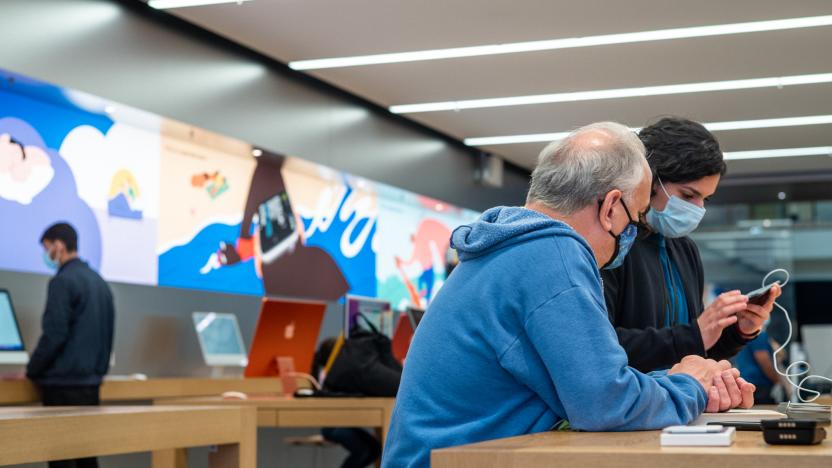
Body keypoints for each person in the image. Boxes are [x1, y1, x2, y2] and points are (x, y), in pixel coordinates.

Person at [382, 122, 755, 468]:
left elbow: (594, 385)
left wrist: (679, 377)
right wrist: (689, 383)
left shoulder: (513, 247)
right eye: (635, 219)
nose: (632, 235)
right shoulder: (554, 254)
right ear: (610, 207)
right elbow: (606, 403)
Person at [602, 117, 781, 372]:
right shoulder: (611, 244)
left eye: (705, 198)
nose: (698, 209)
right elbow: (598, 347)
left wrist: (737, 331)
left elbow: (695, 352)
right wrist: (694, 334)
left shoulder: (684, 250)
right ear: (648, 178)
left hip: (679, 402)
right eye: (688, 195)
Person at [26, 222, 115, 468]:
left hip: (62, 386)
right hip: (91, 384)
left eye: (47, 248)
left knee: (62, 458)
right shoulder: (100, 283)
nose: (47, 255)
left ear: (58, 245)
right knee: (87, 455)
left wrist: (31, 371)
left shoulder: (62, 282)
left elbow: (54, 334)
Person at [311, 338, 382, 468]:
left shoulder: (337, 375)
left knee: (375, 448)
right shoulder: (328, 377)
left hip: (345, 423)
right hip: (332, 427)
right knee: (362, 451)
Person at [734, 328, 785, 404]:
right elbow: (763, 360)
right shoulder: (758, 335)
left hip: (746, 383)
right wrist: (777, 380)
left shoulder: (745, 334)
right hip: (759, 387)